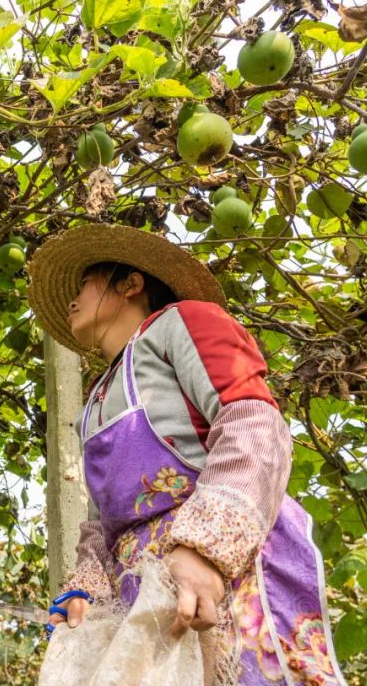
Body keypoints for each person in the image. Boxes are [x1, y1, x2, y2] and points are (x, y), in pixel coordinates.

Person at [27, 224, 346, 685]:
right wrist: (87, 588)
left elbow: (252, 422)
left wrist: (207, 552)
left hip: (214, 569)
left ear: (130, 284)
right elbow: (101, 523)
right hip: (141, 590)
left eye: (83, 286)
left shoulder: (182, 323)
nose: (73, 301)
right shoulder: (93, 403)